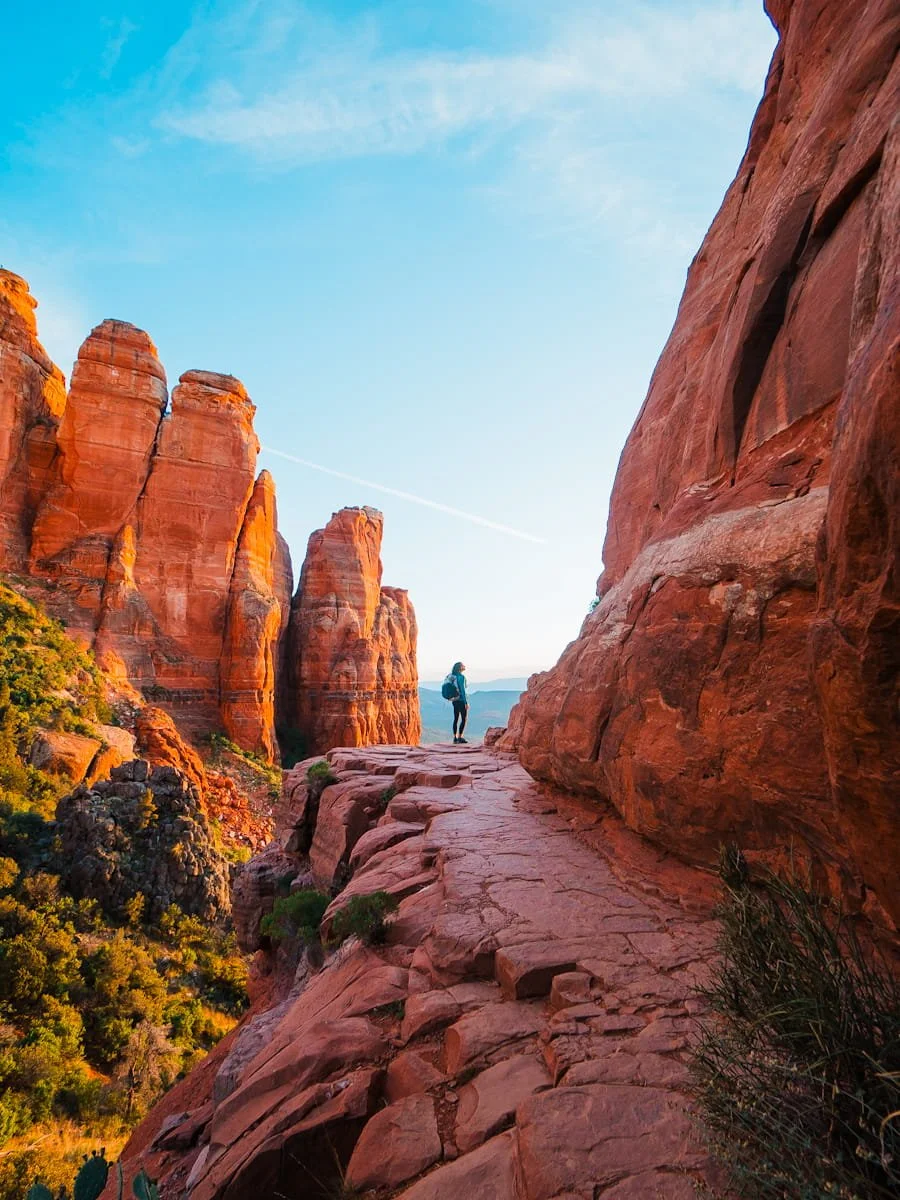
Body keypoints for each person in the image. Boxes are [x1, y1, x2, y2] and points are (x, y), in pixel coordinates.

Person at [450, 661, 469, 744]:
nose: (464, 666)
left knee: (456, 718)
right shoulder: (461, 677)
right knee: (464, 719)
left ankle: (454, 738)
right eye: (463, 665)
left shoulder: (452, 677)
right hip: (461, 700)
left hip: (454, 700)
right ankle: (460, 737)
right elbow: (462, 690)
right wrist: (466, 702)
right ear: (460, 668)